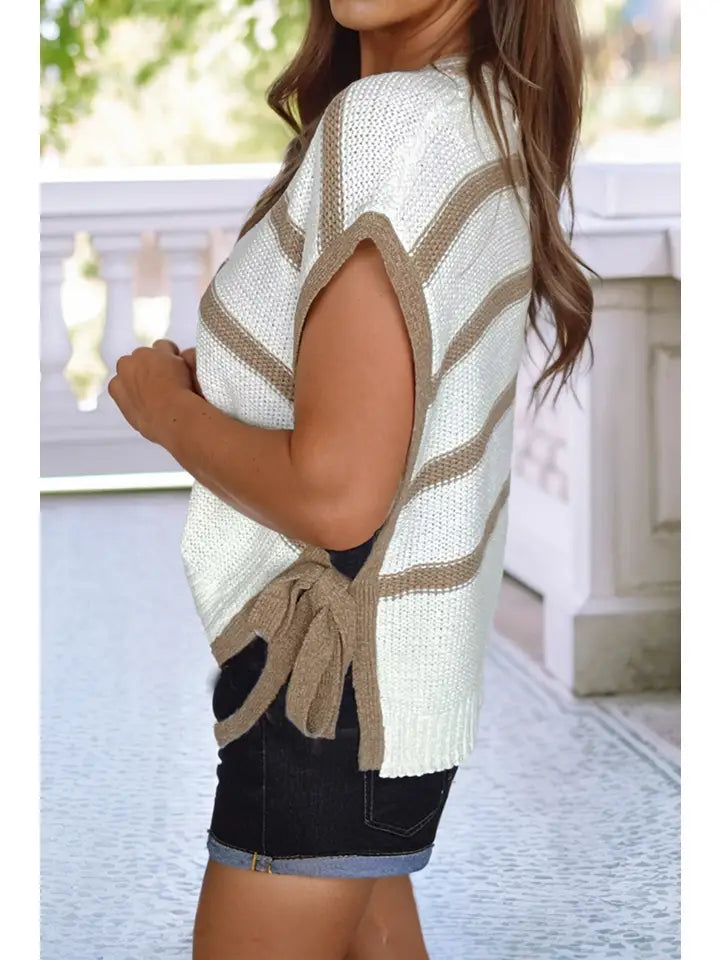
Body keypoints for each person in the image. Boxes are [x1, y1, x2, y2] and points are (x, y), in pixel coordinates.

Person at [108, 1, 593, 957]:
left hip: (322, 699)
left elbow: (338, 496)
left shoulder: (392, 127)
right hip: (393, 705)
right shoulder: (482, 113)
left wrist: (165, 408)